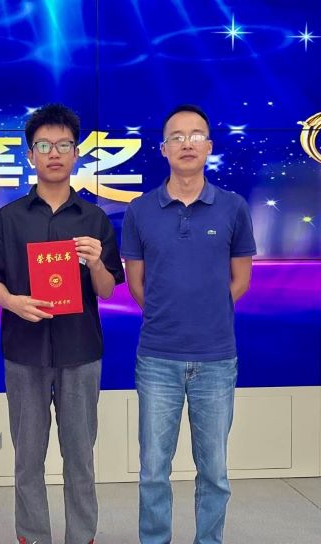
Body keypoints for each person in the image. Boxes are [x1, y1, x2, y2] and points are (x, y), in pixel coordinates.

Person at [0, 103, 125, 544]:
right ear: (30, 155)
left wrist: (96, 263)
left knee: (80, 457)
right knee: (28, 458)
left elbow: (107, 290)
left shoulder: (94, 219)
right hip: (24, 350)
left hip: (81, 351)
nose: (54, 153)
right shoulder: (9, 218)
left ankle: (83, 536)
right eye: (43, 145)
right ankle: (32, 536)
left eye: (63, 145)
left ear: (76, 153)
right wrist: (13, 302)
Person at [121, 104, 256, 544]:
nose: (187, 144)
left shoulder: (233, 208)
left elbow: (240, 280)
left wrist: (206, 312)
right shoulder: (140, 210)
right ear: (163, 149)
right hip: (157, 358)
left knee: (214, 471)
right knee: (153, 470)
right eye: (176, 137)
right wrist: (170, 313)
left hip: (216, 359)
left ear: (209, 146)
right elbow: (136, 283)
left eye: (196, 135)